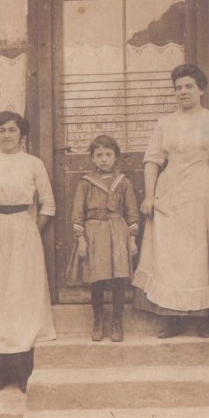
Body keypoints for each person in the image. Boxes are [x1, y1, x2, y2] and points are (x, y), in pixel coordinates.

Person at [132, 63, 209, 338]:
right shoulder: (165, 123)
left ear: (201, 89)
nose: (182, 92)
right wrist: (150, 196)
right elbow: (152, 161)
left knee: (200, 254)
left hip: (202, 193)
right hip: (170, 193)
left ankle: (203, 318)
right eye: (177, 88)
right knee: (170, 255)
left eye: (188, 86)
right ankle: (171, 318)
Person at [0, 111, 56, 393]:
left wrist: (30, 230)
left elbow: (48, 205)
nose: (6, 135)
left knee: (21, 298)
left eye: (11, 130)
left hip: (24, 232)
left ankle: (22, 372)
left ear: (22, 134)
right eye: (1, 131)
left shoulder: (33, 163)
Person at [67, 134, 140, 343]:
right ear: (92, 158)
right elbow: (77, 213)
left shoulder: (123, 182)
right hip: (94, 233)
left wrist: (132, 239)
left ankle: (117, 322)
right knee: (97, 280)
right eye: (99, 155)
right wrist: (81, 239)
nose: (104, 159)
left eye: (108, 154)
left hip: (118, 231)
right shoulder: (86, 183)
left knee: (118, 280)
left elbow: (132, 212)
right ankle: (98, 321)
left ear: (116, 157)